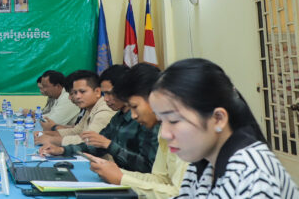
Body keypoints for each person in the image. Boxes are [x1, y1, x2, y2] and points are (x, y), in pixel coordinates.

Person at [151, 58, 298, 198]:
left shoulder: (252, 172)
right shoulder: (201, 164)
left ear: (218, 119)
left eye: (173, 120)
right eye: (161, 121)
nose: (164, 133)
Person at [87, 63, 187, 199]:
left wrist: (122, 179)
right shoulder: (165, 128)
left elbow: (180, 195)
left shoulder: (185, 133)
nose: (133, 116)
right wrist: (117, 173)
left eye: (134, 106)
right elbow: (160, 180)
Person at [39, 65, 157, 173]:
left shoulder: (146, 120)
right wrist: (62, 150)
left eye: (110, 93)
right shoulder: (118, 117)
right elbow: (95, 144)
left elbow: (147, 167)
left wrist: (109, 145)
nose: (106, 99)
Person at [36, 70, 114, 146]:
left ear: (97, 92)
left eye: (82, 91)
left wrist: (52, 139)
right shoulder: (90, 108)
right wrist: (46, 134)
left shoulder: (104, 110)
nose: (77, 96)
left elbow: (89, 140)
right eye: (75, 92)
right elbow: (76, 131)